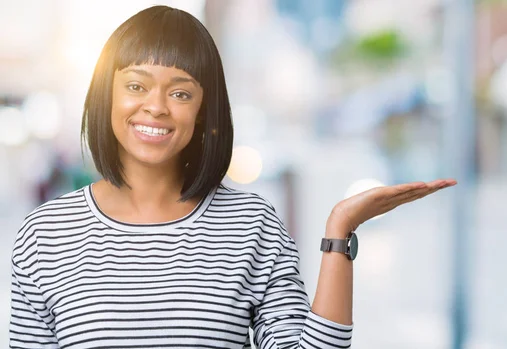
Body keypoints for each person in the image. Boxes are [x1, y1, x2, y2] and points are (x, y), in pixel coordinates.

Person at [9, 5, 456, 349]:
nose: (157, 106)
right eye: (136, 85)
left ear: (205, 110)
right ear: (106, 95)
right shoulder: (44, 234)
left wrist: (340, 232)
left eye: (180, 92)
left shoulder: (252, 223)